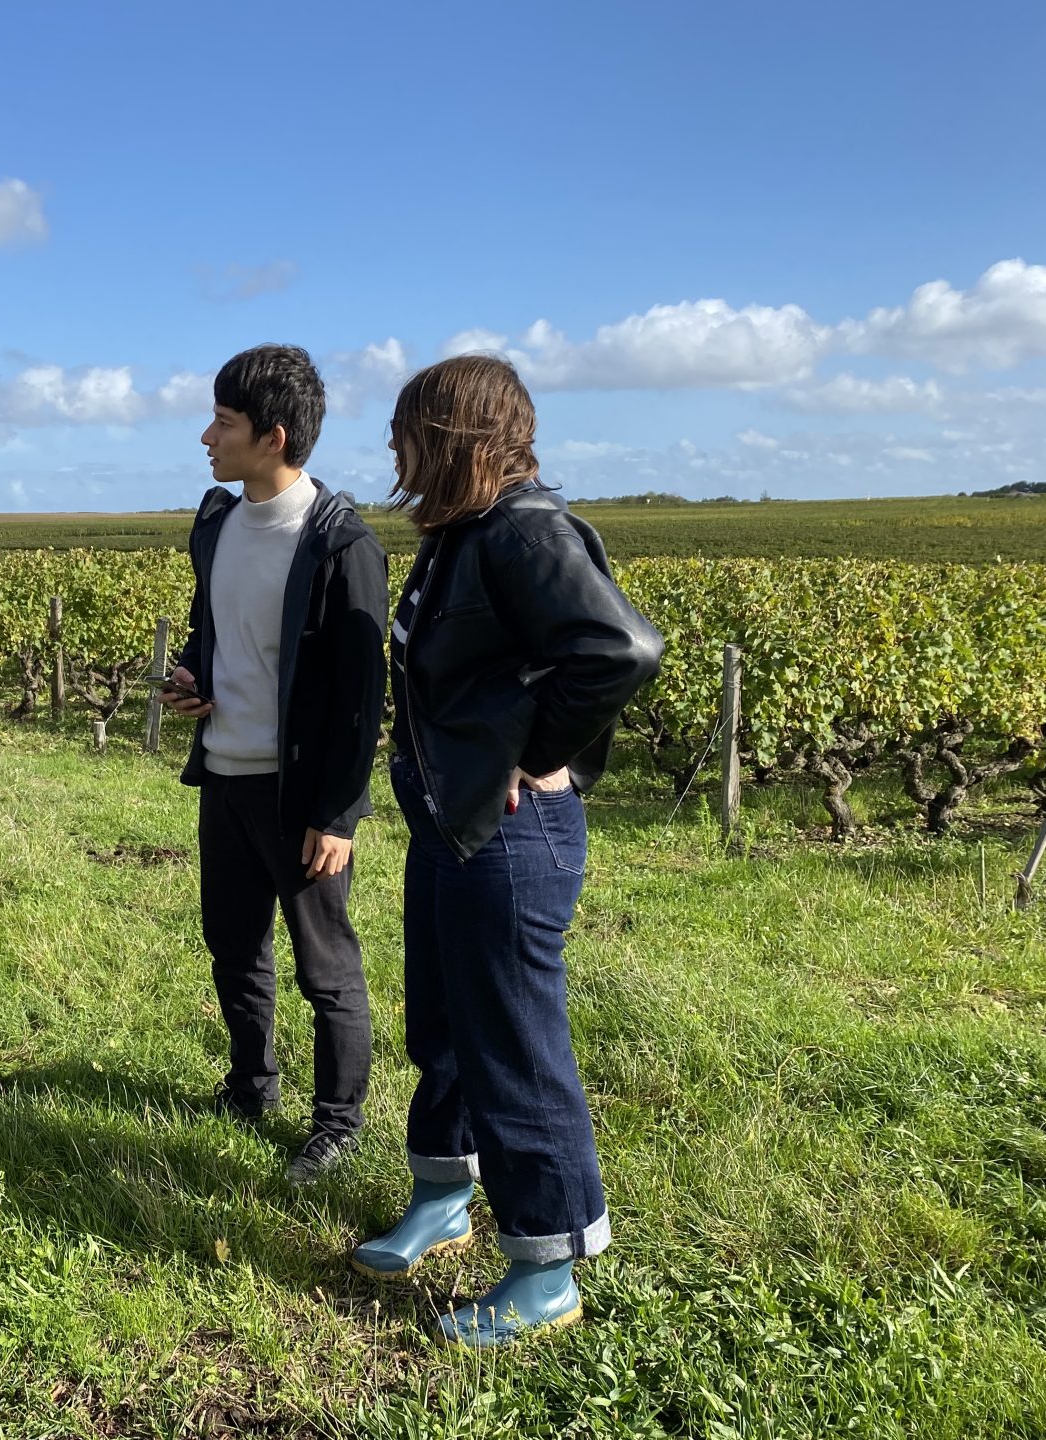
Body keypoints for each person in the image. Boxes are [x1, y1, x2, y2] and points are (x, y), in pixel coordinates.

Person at [352, 353, 663, 1345]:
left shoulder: (527, 530)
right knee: (443, 1022)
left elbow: (621, 651)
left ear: (450, 437)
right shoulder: (462, 533)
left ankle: (546, 1267)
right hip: (455, 821)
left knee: (516, 1048)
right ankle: (443, 1195)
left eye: (409, 429)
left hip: (512, 835)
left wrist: (538, 753)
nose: (395, 447)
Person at [162, 344, 388, 1185]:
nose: (206, 437)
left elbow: (362, 695)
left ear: (274, 436)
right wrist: (197, 681)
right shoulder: (217, 523)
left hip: (301, 800)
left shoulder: (341, 546)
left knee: (326, 968)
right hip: (225, 776)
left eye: (222, 422)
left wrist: (338, 815)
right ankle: (251, 1085)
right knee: (232, 946)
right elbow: (212, 634)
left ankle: (337, 1126)